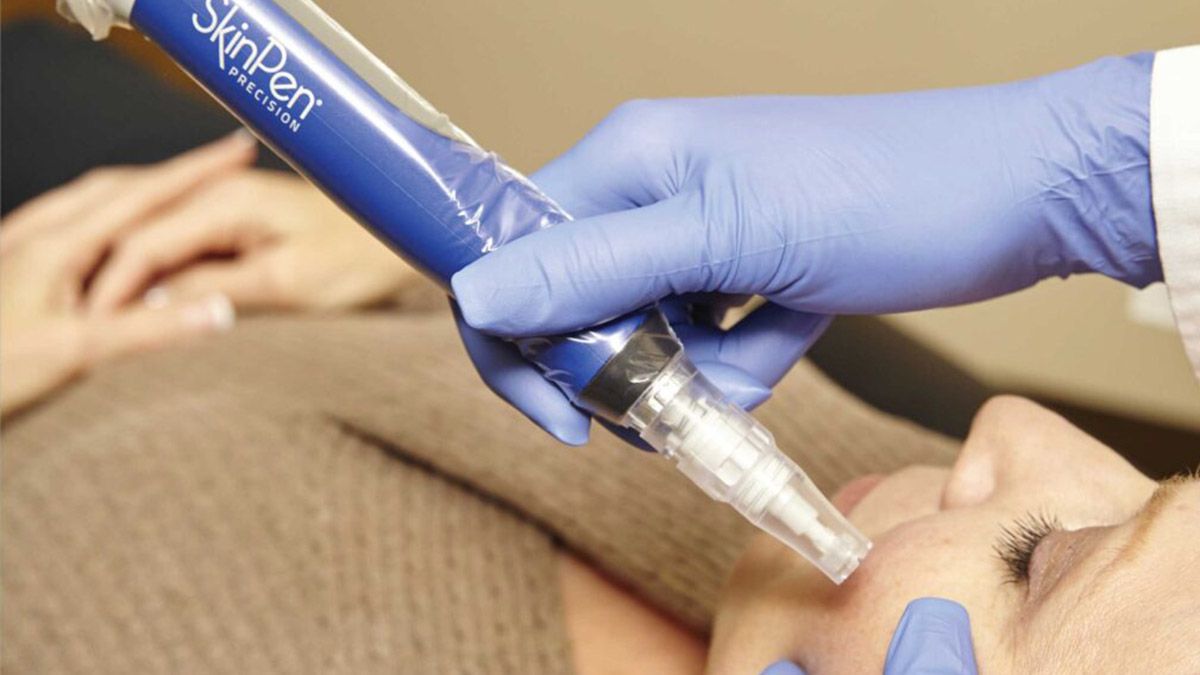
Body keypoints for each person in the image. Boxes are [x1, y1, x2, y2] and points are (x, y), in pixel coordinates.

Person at [447, 45, 1200, 670]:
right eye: (1164, 476)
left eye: (1038, 555)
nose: (1013, 419)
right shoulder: (831, 401)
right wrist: (1109, 162)